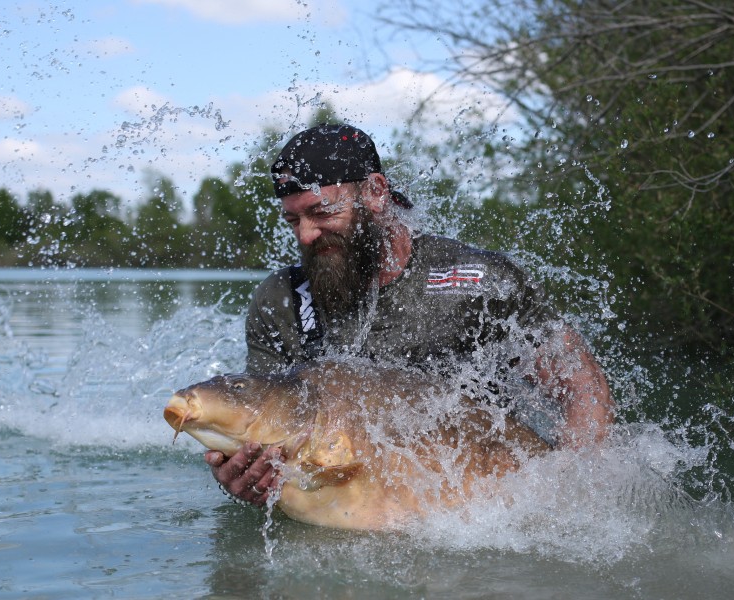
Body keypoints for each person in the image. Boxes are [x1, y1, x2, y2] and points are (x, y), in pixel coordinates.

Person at [205, 123, 614, 506]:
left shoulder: (476, 282)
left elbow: (582, 390)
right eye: (293, 220)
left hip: (482, 497)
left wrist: (569, 485)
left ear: (376, 192)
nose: (306, 235)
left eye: (323, 213)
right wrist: (242, 479)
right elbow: (258, 420)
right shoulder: (281, 299)